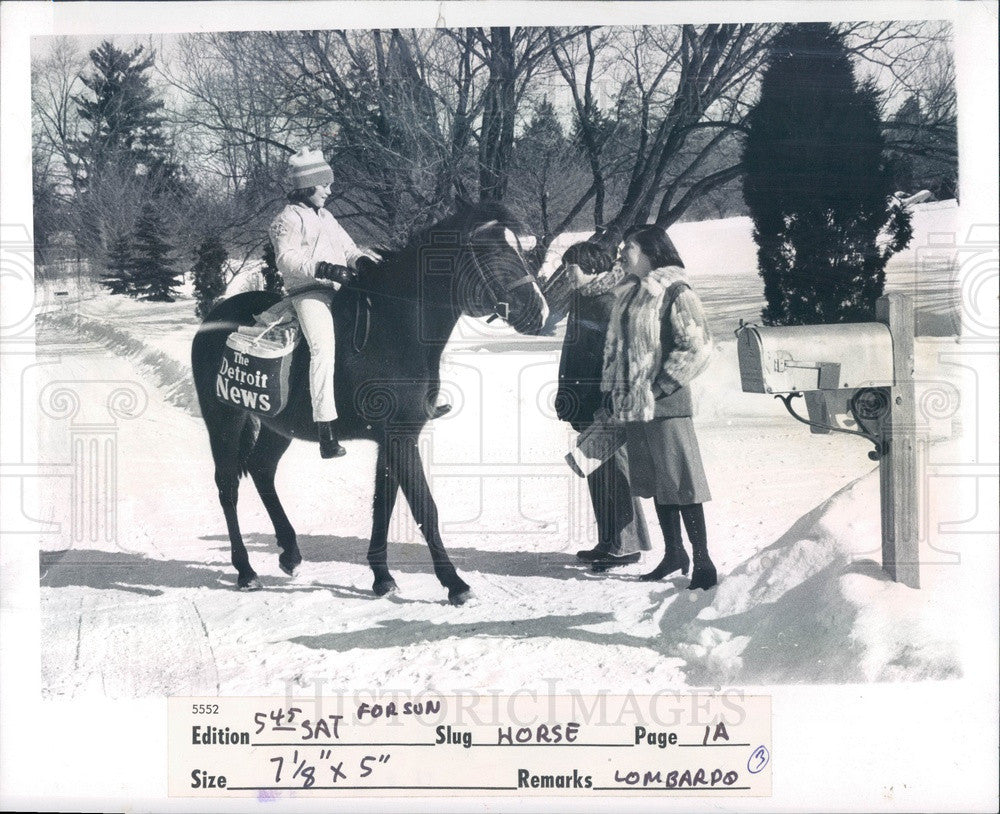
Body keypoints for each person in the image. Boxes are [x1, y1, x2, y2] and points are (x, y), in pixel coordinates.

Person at [600, 225, 718, 589]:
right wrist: (613, 390)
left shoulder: (676, 290)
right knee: (657, 483)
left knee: (683, 484)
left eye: (629, 247)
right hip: (636, 409)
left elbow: (698, 347)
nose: (622, 254)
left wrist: (660, 387)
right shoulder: (630, 293)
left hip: (666, 406)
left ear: (652, 250)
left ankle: (703, 562)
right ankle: (674, 553)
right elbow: (618, 352)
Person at [268, 148, 378, 459]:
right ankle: (326, 429)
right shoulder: (287, 218)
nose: (329, 191)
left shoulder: (326, 216)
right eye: (324, 185)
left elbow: (348, 248)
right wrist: (323, 268)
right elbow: (286, 257)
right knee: (323, 348)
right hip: (309, 292)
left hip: (339, 290)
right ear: (308, 184)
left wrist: (362, 261)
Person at [555, 242, 651, 569]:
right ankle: (608, 541)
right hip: (583, 401)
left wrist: (610, 401)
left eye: (572, 270)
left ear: (592, 267)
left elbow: (623, 358)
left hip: (605, 403)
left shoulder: (609, 301)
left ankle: (627, 545)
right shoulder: (583, 300)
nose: (568, 276)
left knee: (615, 472)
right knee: (597, 471)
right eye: (566, 269)